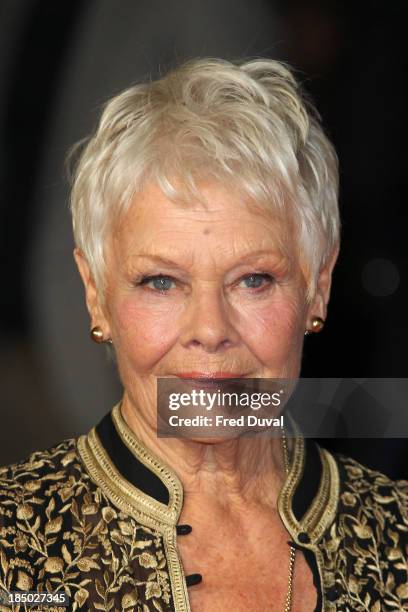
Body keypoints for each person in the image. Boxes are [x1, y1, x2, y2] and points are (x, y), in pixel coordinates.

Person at [0, 57, 407, 612]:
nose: (211, 331)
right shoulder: (13, 547)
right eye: (161, 281)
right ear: (95, 294)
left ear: (319, 285)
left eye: (254, 280)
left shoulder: (397, 533)